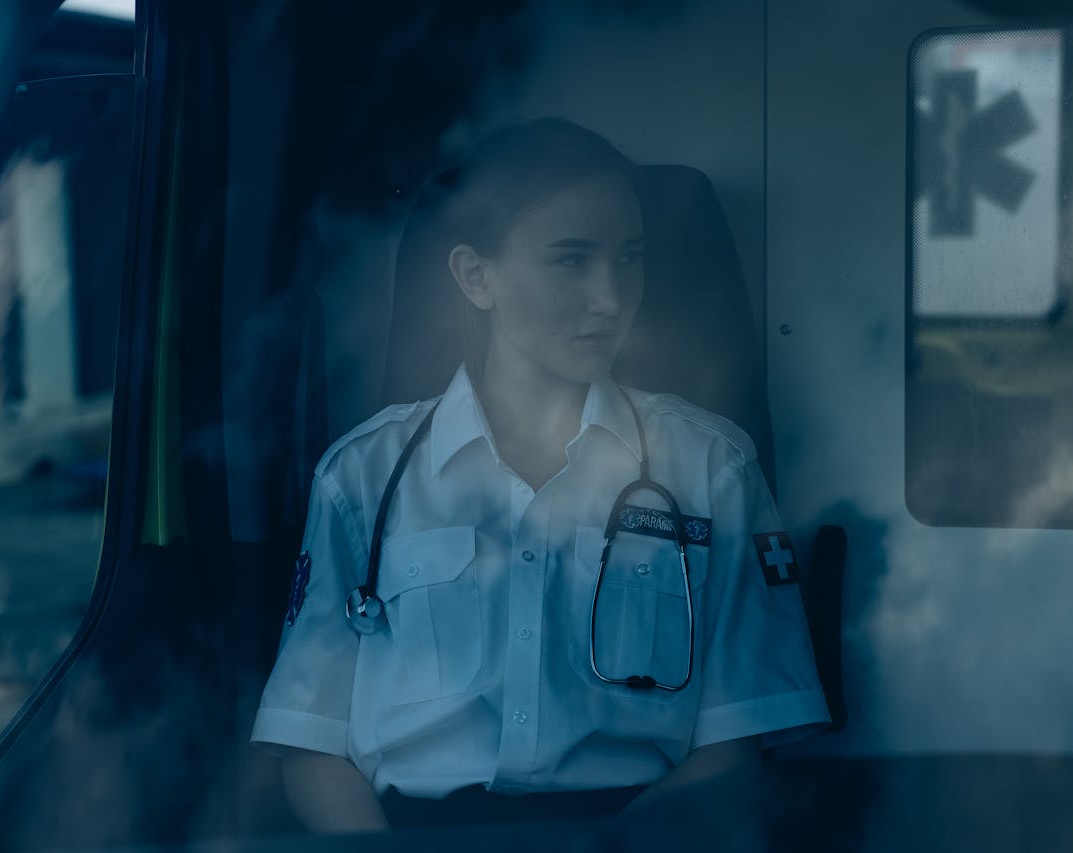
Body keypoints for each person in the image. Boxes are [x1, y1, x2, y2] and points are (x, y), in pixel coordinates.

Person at [250, 118, 828, 833]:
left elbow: (738, 744)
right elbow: (311, 745)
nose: (611, 297)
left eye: (629, 259)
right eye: (571, 260)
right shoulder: (362, 476)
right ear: (476, 277)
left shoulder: (713, 466)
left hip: (640, 838)